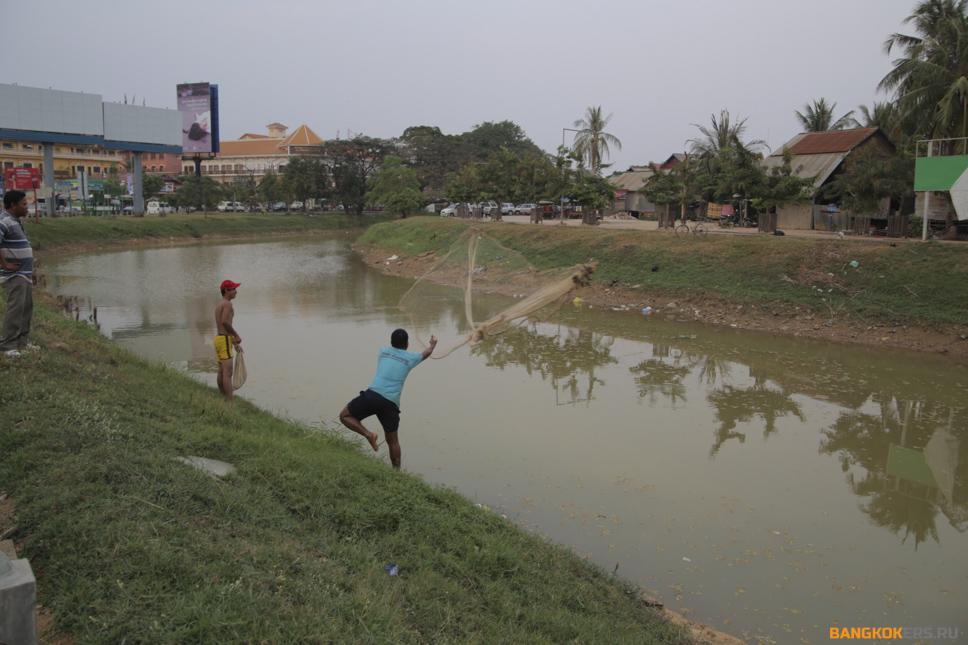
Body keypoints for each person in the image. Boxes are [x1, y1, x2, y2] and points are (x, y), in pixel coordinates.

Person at [339, 329, 436, 469]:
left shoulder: (383, 351)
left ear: (391, 342)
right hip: (390, 403)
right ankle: (396, 473)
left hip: (372, 395)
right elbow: (426, 353)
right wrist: (432, 345)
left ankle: (368, 435)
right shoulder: (411, 358)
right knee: (393, 441)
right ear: (407, 344)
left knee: (345, 416)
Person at [0, 190, 36, 358]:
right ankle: (8, 345)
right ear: (13, 205)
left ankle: (22, 342)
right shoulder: (4, 221)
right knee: (15, 309)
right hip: (15, 275)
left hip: (24, 274)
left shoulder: (16, 221)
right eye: (24, 204)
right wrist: (5, 264)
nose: (27, 207)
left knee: (26, 309)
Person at [214, 279, 242, 400]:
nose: (236, 291)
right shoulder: (227, 304)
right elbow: (225, 322)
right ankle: (230, 401)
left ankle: (222, 395)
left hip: (220, 338)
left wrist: (233, 341)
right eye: (233, 289)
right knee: (228, 372)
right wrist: (236, 335)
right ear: (226, 290)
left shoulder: (220, 304)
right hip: (224, 339)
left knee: (222, 370)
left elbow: (223, 325)